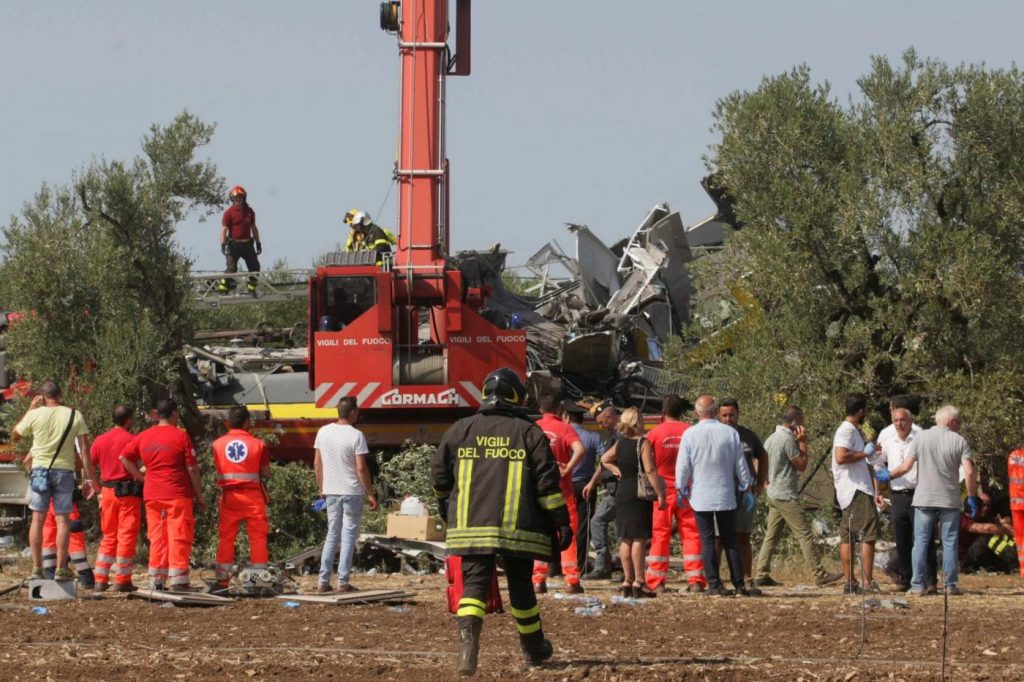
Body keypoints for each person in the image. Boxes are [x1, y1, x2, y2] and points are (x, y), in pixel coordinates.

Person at [430, 368, 570, 676]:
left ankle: (468, 650)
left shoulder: (460, 429)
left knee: (474, 587)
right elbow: (547, 486)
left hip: (470, 525)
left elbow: (439, 478)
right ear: (516, 396)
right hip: (516, 528)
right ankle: (533, 650)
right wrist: (562, 522)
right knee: (521, 587)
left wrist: (445, 508)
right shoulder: (528, 432)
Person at [885, 405, 979, 595]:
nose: (958, 427)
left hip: (924, 498)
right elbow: (969, 472)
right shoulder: (959, 441)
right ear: (952, 422)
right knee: (950, 542)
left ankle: (918, 584)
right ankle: (950, 585)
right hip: (949, 499)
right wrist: (972, 497)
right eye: (958, 423)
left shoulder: (920, 438)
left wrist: (887, 476)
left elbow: (905, 467)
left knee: (920, 541)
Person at [120, 399, 206, 591]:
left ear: (156, 414)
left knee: (157, 536)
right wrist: (199, 495)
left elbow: (124, 458)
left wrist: (142, 478)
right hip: (177, 494)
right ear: (174, 414)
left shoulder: (144, 436)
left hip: (152, 494)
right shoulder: (181, 436)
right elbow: (192, 468)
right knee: (179, 535)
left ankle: (156, 580)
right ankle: (179, 580)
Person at [753, 405, 843, 587]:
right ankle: (819, 573)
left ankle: (761, 573)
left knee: (771, 535)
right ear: (794, 423)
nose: (803, 426)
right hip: (786, 495)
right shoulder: (787, 439)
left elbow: (758, 460)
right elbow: (801, 464)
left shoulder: (771, 438)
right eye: (801, 422)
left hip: (773, 493)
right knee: (804, 534)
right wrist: (803, 441)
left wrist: (764, 482)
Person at [13, 381, 94, 582]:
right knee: (63, 520)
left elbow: (15, 436)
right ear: (60, 394)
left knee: (38, 520)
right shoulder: (74, 415)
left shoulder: (34, 414)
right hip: (64, 472)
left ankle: (36, 568)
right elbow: (84, 450)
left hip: (40, 470)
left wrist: (30, 409)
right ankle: (60, 568)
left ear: (42, 396)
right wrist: (89, 478)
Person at [677, 395, 756, 597]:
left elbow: (683, 466)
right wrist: (746, 487)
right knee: (730, 539)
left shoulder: (690, 434)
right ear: (714, 412)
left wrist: (680, 487)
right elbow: (741, 464)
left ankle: (714, 584)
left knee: (708, 539)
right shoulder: (729, 433)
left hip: (700, 496)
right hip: (726, 494)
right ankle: (739, 584)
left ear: (697, 413)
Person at [314, 396, 378, 593]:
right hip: (352, 492)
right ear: (352, 413)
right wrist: (370, 491)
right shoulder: (356, 435)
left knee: (332, 534)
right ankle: (343, 582)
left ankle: (323, 582)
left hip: (331, 491)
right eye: (357, 411)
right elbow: (361, 467)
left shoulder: (323, 432)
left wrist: (322, 487)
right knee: (349, 536)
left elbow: (317, 463)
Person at [600, 407, 666, 598]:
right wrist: (660, 493)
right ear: (637, 422)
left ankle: (627, 580)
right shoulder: (642, 443)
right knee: (639, 538)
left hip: (622, 491)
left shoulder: (620, 443)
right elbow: (650, 470)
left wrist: (615, 469)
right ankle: (640, 581)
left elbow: (605, 458)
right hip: (639, 494)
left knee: (625, 538)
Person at [644, 395, 705, 593]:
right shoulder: (690, 431)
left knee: (660, 535)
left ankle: (656, 581)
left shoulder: (654, 434)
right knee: (691, 534)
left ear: (663, 413)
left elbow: (647, 464)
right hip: (687, 491)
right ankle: (696, 579)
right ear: (682, 412)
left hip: (662, 492)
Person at [874, 405, 937, 592]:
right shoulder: (888, 439)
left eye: (902, 420)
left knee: (924, 537)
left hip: (919, 492)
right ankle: (905, 578)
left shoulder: (920, 437)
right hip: (898, 494)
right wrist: (878, 491)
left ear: (910, 421)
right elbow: (878, 464)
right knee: (902, 539)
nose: (899, 424)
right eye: (895, 421)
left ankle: (930, 580)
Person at [212, 405, 272, 590]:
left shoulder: (217, 444)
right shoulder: (259, 444)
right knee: (258, 538)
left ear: (228, 423)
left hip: (230, 498)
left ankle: (222, 581)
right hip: (253, 497)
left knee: (226, 539)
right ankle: (258, 582)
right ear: (247, 422)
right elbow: (266, 473)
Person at [532, 394, 585, 594]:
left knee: (540, 533)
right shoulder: (564, 428)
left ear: (540, 410)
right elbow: (580, 450)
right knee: (568, 533)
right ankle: (571, 580)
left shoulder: (533, 428)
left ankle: (538, 579)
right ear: (560, 411)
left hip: (539, 489)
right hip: (563, 489)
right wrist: (568, 468)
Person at [831, 392, 883, 594]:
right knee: (868, 533)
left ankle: (851, 582)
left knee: (848, 535)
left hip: (849, 490)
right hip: (856, 489)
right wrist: (865, 453)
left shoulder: (852, 430)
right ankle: (868, 582)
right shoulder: (847, 430)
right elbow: (841, 456)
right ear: (862, 411)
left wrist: (868, 453)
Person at [90, 405, 142, 592]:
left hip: (107, 492)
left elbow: (87, 466)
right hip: (127, 493)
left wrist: (97, 490)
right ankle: (122, 580)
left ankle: (100, 579)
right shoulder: (132, 439)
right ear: (128, 421)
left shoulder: (100, 440)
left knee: (109, 535)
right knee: (126, 535)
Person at [717, 397, 766, 582]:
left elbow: (763, 456)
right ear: (718, 416)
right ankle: (716, 580)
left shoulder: (748, 436)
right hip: (722, 493)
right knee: (718, 538)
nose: (728, 419)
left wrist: (760, 482)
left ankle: (745, 577)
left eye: (732, 415)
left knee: (743, 537)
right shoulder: (716, 435)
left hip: (746, 494)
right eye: (724, 415)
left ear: (738, 415)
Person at [562, 399, 604, 577]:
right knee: (583, 527)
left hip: (566, 485)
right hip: (587, 485)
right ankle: (580, 564)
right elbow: (605, 459)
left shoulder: (564, 435)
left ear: (566, 417)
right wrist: (595, 479)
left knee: (564, 524)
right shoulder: (593, 437)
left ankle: (560, 565)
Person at [581, 405, 619, 580]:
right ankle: (624, 566)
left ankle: (603, 565)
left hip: (618, 489)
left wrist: (598, 479)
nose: (600, 426)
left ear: (609, 417)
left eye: (601, 422)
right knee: (620, 530)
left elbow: (610, 464)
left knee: (597, 521)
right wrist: (593, 481)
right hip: (615, 488)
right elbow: (603, 463)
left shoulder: (620, 436)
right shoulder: (614, 436)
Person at [218, 185, 262, 295]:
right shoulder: (228, 213)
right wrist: (223, 244)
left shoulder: (250, 211)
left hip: (247, 245)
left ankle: (251, 288)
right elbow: (223, 229)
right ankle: (223, 289)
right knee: (231, 269)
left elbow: (254, 228)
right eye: (236, 197)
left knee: (255, 267)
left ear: (244, 198)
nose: (238, 199)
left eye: (240, 197)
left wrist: (258, 242)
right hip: (233, 245)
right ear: (232, 198)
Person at [1007, 442, 1024, 577]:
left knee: (1020, 538)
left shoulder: (1013, 456)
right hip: (1018, 503)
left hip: (1016, 504)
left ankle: (1023, 569)